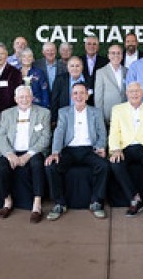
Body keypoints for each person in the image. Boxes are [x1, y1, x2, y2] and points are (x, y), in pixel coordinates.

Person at [45, 83, 109, 220]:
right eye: (75, 93)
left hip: (89, 149)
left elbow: (102, 133)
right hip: (69, 150)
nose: (78, 96)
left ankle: (96, 202)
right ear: (71, 96)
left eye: (81, 93)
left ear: (87, 95)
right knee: (51, 166)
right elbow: (59, 133)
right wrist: (55, 152)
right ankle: (59, 203)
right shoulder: (64, 112)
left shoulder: (96, 112)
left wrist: (100, 147)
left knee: (104, 165)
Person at [0, 86, 51, 222]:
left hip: (33, 150)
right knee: (1, 167)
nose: (24, 100)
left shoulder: (43, 113)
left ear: (32, 98)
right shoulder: (6, 114)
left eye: (27, 97)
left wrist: (28, 155)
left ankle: (36, 205)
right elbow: (1, 137)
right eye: (21, 97)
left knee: (37, 165)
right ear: (15, 99)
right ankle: (7, 202)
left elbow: (45, 137)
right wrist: (9, 154)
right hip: (11, 151)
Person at [108, 82, 143, 225]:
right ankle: (135, 198)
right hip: (125, 146)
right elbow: (114, 133)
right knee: (115, 162)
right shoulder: (117, 109)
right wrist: (116, 149)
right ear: (126, 94)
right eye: (131, 91)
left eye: (137, 91)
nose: (134, 94)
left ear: (142, 93)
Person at [50, 56, 92, 123]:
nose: (75, 68)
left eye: (77, 66)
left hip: (85, 117)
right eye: (72, 66)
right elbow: (54, 100)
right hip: (65, 117)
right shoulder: (60, 79)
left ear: (82, 67)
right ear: (68, 67)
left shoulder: (90, 80)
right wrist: (54, 119)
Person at [94, 44, 127, 125]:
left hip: (125, 116)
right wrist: (100, 117)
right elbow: (98, 97)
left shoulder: (127, 71)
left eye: (118, 53)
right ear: (108, 55)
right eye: (113, 53)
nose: (116, 55)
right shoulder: (101, 72)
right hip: (108, 116)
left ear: (122, 56)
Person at [0, 42, 23, 113]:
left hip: (6, 112)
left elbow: (17, 93)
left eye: (2, 54)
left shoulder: (14, 72)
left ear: (6, 55)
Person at [80, 35, 109, 105]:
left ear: (98, 47)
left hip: (99, 100)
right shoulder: (78, 60)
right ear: (85, 46)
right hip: (81, 99)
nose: (91, 46)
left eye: (94, 44)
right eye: (89, 44)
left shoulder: (106, 62)